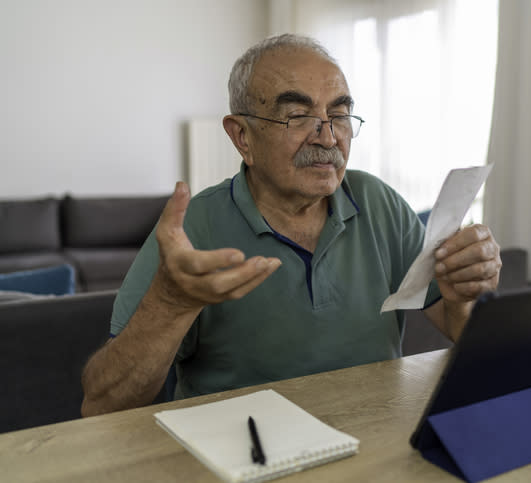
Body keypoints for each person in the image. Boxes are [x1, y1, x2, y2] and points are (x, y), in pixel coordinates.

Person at [81, 34, 501, 417]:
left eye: (339, 115)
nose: (328, 137)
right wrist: (170, 304)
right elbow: (102, 405)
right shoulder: (193, 228)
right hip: (242, 454)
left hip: (374, 437)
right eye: (298, 116)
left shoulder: (379, 202)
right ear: (243, 137)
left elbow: (459, 328)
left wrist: (466, 294)